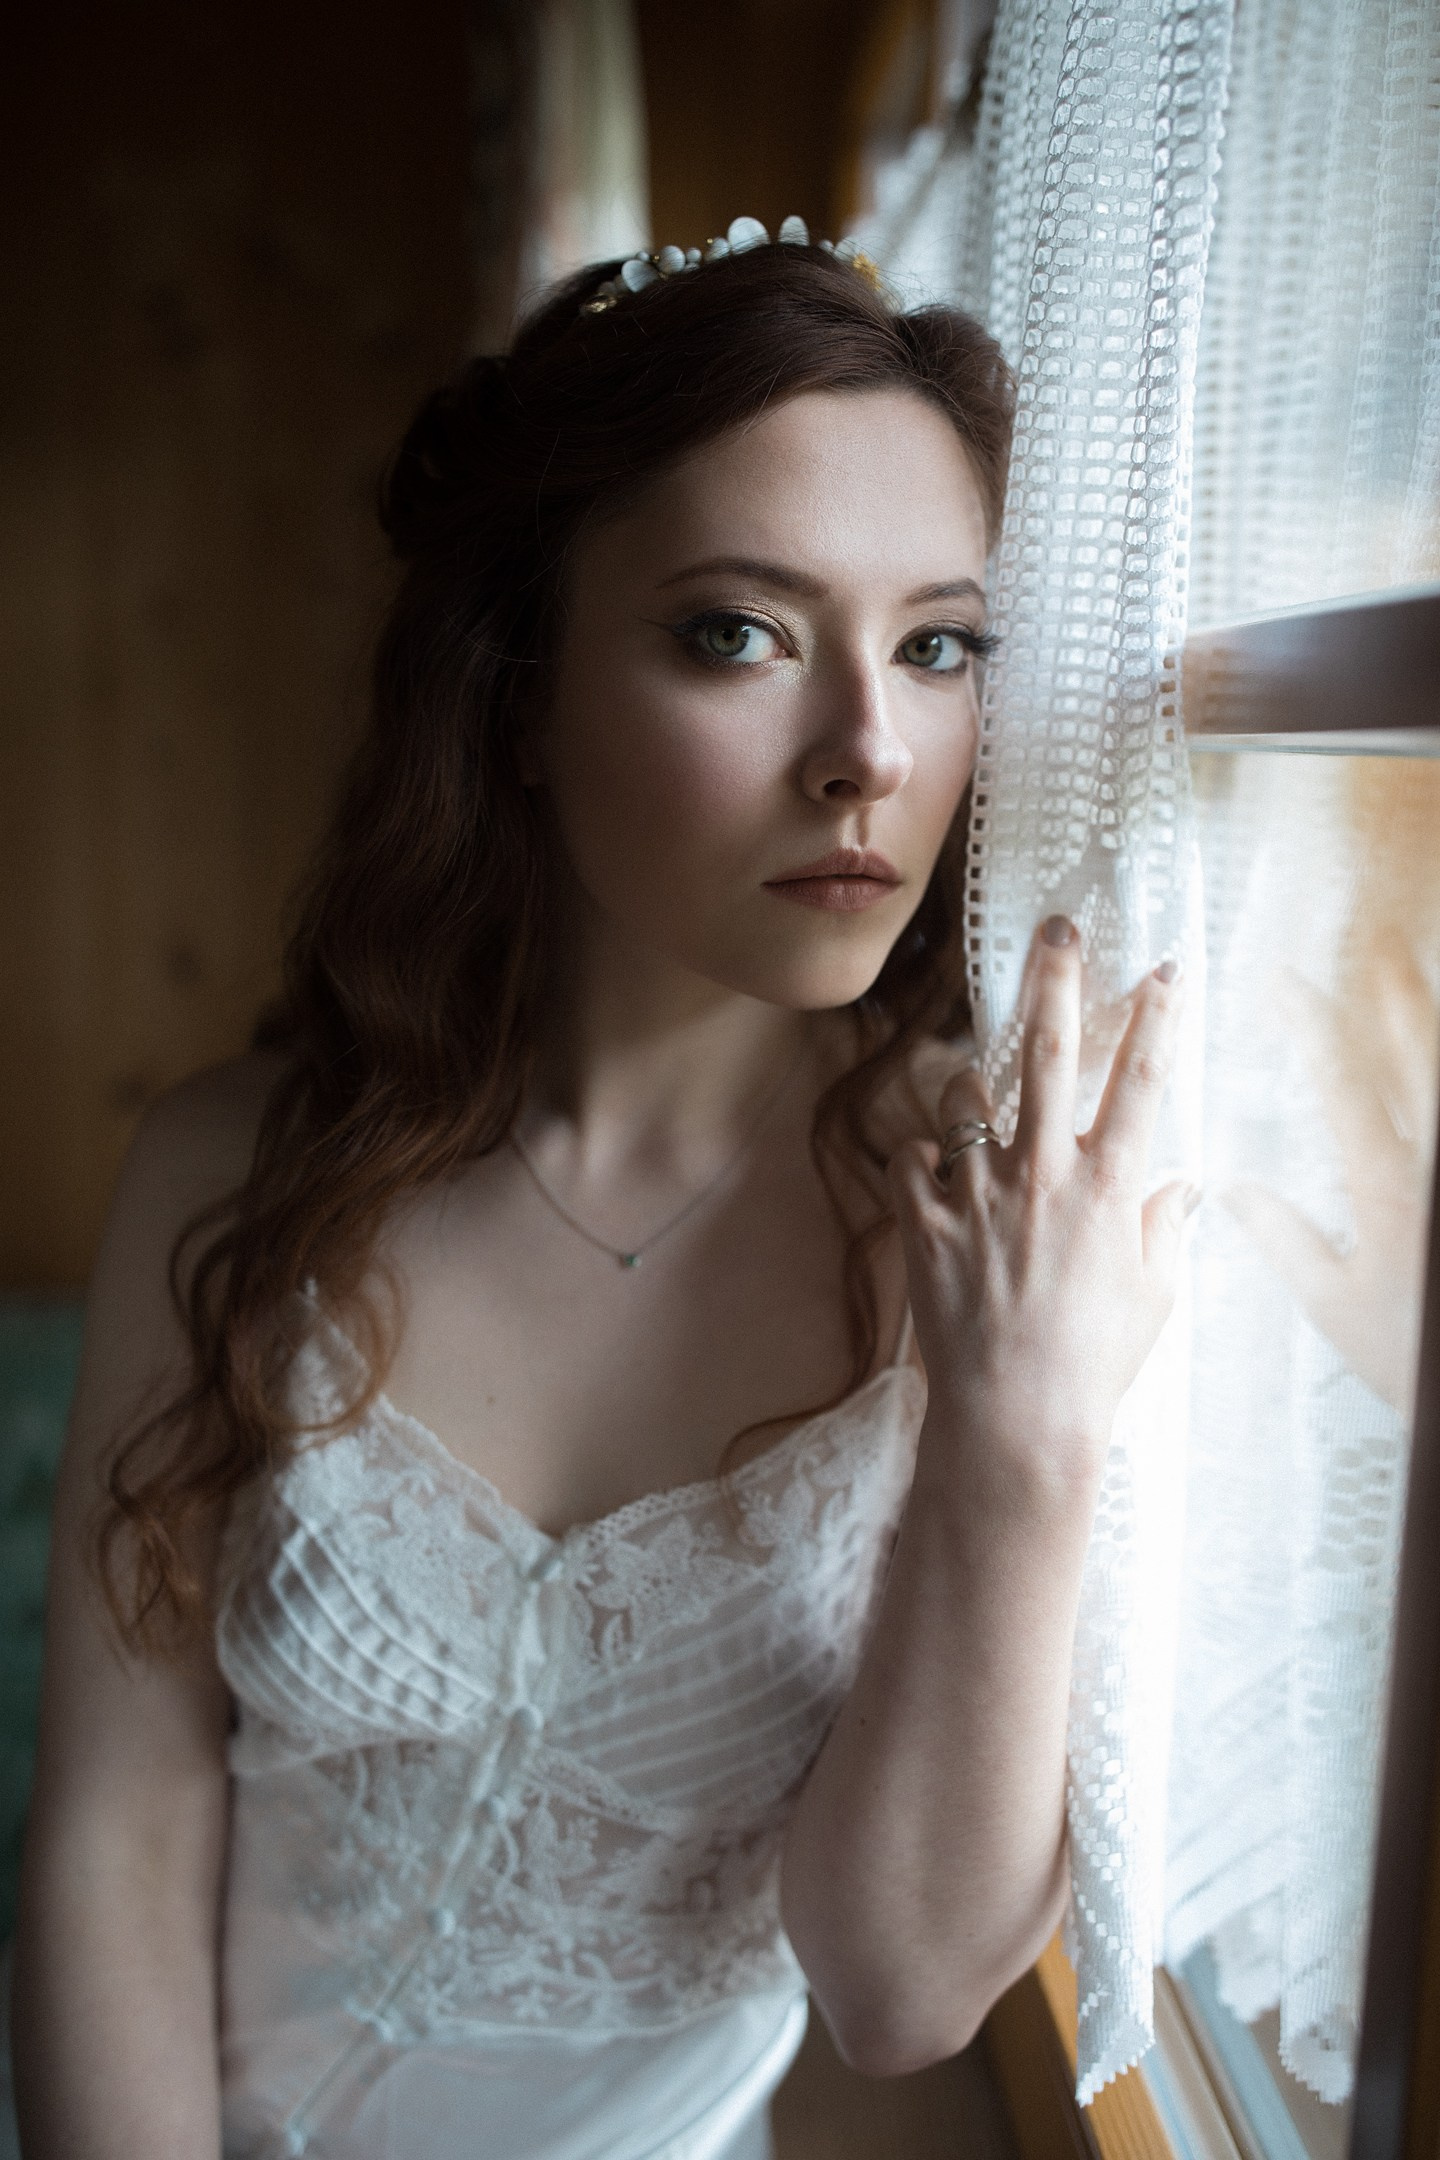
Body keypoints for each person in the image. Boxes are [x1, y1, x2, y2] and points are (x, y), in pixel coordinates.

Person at [9, 229, 1191, 2160]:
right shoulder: (236, 1170)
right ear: (518, 696)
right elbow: (116, 1833)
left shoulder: (981, 1226)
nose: (871, 754)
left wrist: (1017, 1439)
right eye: (739, 631)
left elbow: (897, 1994)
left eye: (939, 643)